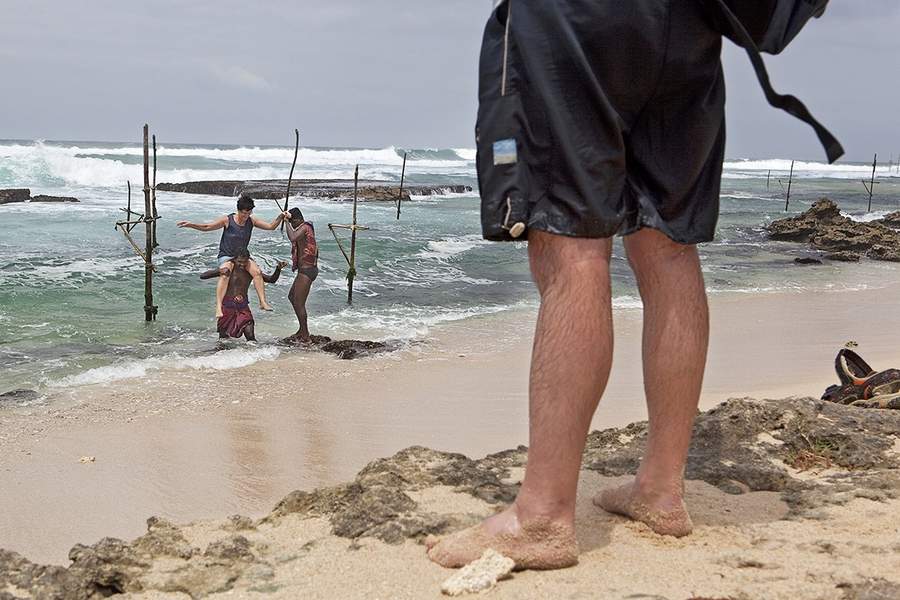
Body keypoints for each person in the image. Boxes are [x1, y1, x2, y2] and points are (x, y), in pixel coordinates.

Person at [426, 0, 734, 570]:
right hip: (687, 25)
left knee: (570, 247)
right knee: (669, 248)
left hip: (577, 19)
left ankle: (540, 517)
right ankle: (662, 489)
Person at [177, 194, 290, 318]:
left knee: (257, 272)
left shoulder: (252, 221)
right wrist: (191, 224)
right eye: (244, 213)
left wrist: (280, 217)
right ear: (238, 210)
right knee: (225, 273)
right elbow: (207, 227)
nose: (246, 216)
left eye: (249, 213)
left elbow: (271, 227)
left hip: (242, 257)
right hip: (226, 255)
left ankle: (262, 302)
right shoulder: (227, 220)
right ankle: (219, 307)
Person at [200, 252, 286, 341]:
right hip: (227, 306)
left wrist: (278, 269)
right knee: (223, 339)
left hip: (242, 306)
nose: (242, 264)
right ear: (234, 259)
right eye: (239, 262)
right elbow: (203, 276)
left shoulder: (250, 272)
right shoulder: (227, 270)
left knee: (250, 336)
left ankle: (256, 354)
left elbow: (271, 280)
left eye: (244, 262)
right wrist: (219, 271)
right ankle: (221, 354)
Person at [284, 207, 318, 343]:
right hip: (305, 269)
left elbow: (292, 237)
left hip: (307, 270)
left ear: (297, 220)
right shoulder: (304, 227)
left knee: (299, 303)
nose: (293, 226)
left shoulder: (304, 227)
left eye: (293, 223)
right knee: (292, 297)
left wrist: (286, 221)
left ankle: (305, 335)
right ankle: (302, 329)